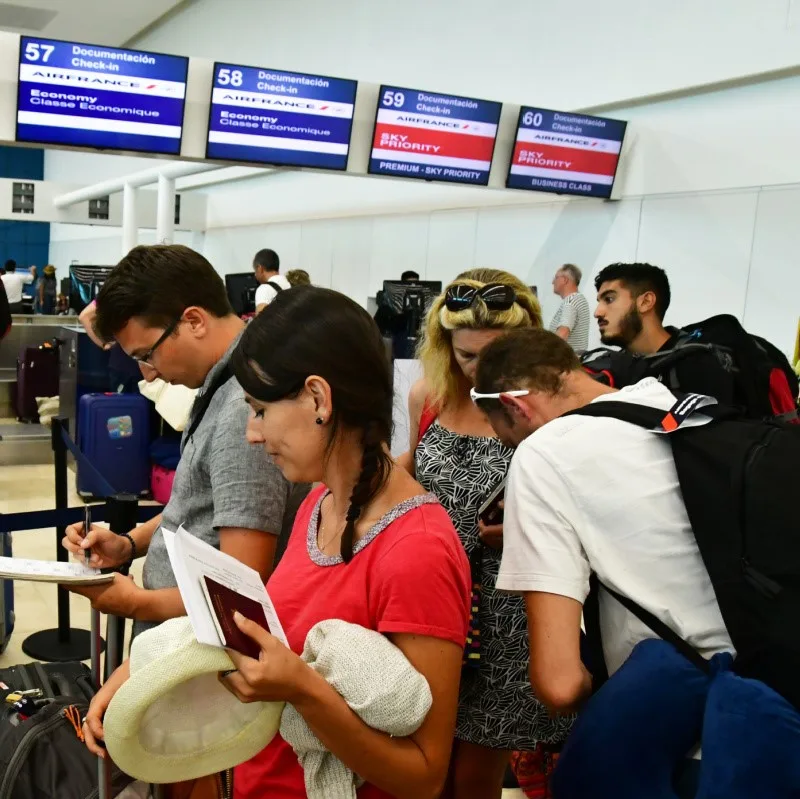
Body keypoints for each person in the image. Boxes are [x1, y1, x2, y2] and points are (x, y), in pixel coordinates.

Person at [80, 285, 472, 799]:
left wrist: (303, 692)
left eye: (260, 409)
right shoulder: (318, 504)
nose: (251, 433)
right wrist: (139, 672)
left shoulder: (417, 552)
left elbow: (422, 776)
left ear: (318, 398)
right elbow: (254, 624)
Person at [472, 327, 733, 707]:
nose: (514, 448)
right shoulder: (669, 403)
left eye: (510, 439)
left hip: (677, 720)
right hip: (765, 698)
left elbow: (560, 686)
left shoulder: (543, 453)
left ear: (516, 406)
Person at [62, 244, 298, 638]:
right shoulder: (220, 384)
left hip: (194, 645)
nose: (148, 375)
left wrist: (138, 603)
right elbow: (196, 508)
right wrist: (127, 544)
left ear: (194, 321)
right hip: (179, 627)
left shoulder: (244, 408)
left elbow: (242, 590)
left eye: (148, 355)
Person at [400, 269, 573, 799]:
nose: (480, 370)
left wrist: (522, 530)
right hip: (431, 606)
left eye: (495, 354)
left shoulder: (547, 409)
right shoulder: (428, 397)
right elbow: (410, 478)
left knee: (472, 780)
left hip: (508, 616)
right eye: (466, 355)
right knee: (419, 765)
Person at [593, 262, 735, 403]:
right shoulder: (613, 368)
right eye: (599, 301)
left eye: (609, 299)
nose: (597, 312)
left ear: (646, 302)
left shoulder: (698, 366)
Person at [549, 263, 590, 353]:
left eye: (556, 278)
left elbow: (563, 333)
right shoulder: (578, 298)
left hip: (566, 362)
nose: (552, 282)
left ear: (565, 280)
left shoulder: (571, 301)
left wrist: (544, 350)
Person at [253, 248, 290, 313]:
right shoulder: (289, 283)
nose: (255, 275)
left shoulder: (264, 289)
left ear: (260, 268)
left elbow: (261, 321)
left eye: (255, 270)